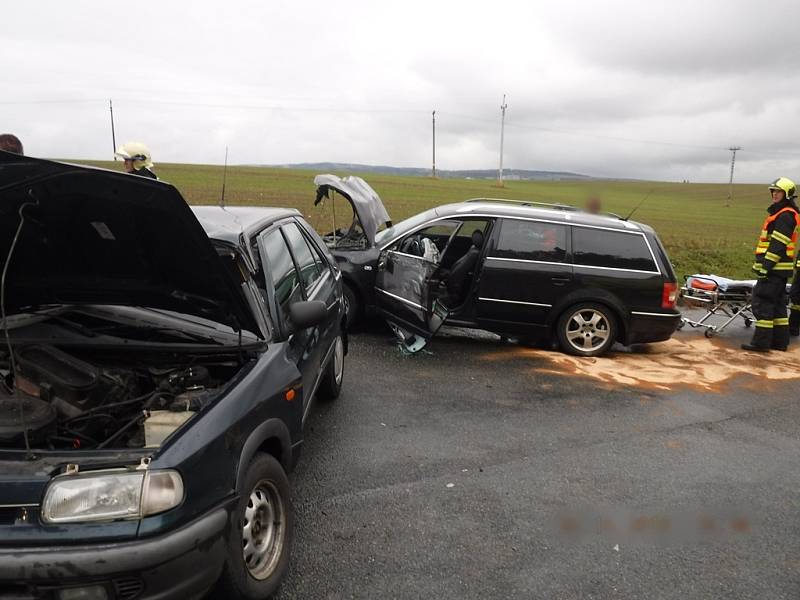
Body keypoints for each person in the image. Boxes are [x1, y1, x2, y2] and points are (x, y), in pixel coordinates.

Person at [741, 177, 800, 352]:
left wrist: (765, 266)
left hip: (773, 269)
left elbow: (778, 245)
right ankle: (780, 342)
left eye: (778, 191)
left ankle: (761, 343)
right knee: (778, 306)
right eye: (773, 191)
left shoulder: (785, 216)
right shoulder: (785, 214)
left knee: (762, 303)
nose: (774, 194)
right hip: (779, 270)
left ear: (787, 194)